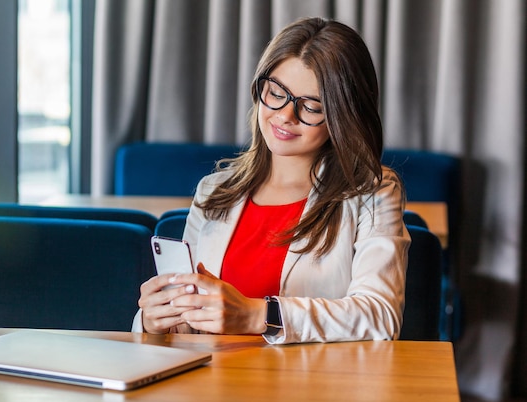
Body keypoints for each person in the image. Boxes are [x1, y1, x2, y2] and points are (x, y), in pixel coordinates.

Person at [132, 17, 410, 343]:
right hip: (214, 384)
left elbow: (380, 316)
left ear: (342, 116)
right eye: (277, 91)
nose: (284, 116)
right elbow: (190, 326)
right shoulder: (214, 191)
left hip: (312, 387)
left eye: (310, 106)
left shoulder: (371, 193)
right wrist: (154, 321)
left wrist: (260, 315)